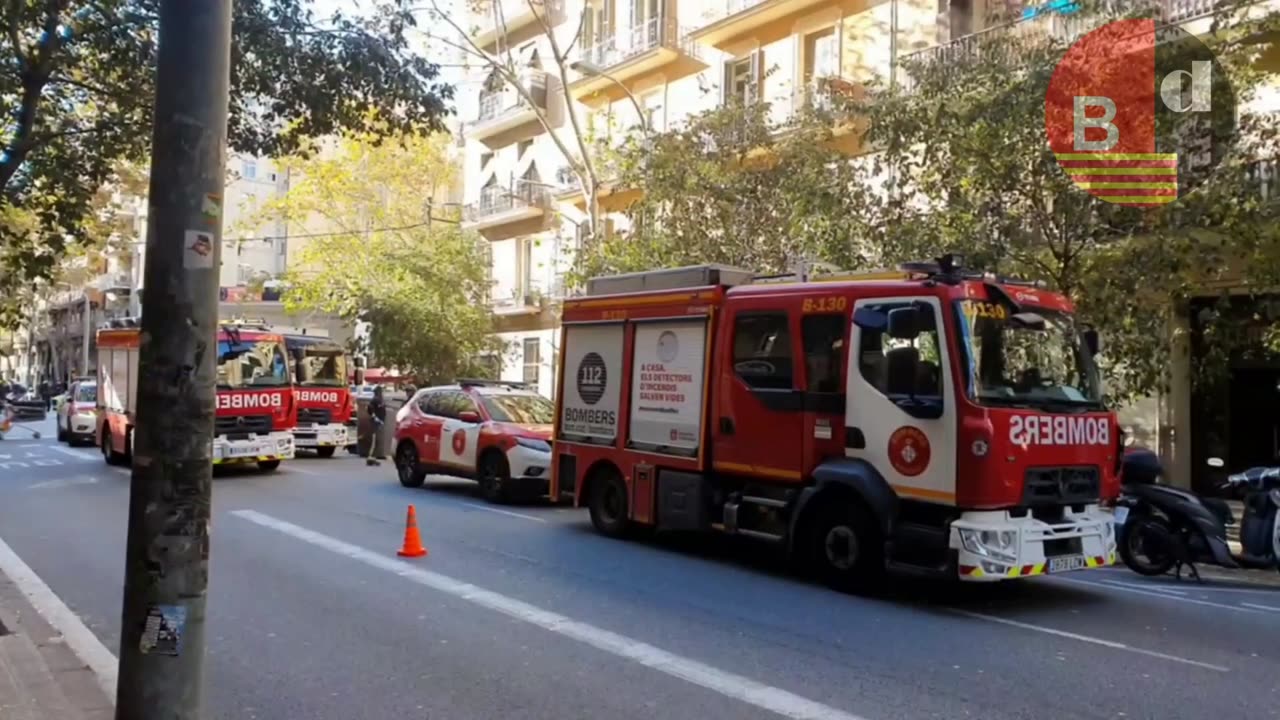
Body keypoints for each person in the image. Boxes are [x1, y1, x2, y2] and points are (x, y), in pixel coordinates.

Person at [366, 385, 386, 467]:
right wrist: (374, 417)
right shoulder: (375, 400)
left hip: (379, 422)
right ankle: (370, 457)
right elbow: (369, 408)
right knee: (374, 440)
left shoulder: (380, 400)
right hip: (376, 422)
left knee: (377, 440)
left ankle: (374, 457)